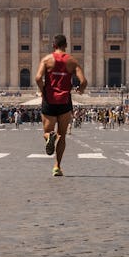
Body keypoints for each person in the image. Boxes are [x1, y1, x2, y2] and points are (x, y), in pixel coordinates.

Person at [35, 34, 87, 177]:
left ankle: (49, 137)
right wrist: (80, 90)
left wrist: (42, 89)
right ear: (66, 45)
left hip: (49, 100)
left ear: (53, 45)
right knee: (62, 136)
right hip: (65, 101)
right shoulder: (72, 61)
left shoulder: (46, 60)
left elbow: (38, 77)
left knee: (47, 132)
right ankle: (57, 166)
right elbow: (83, 81)